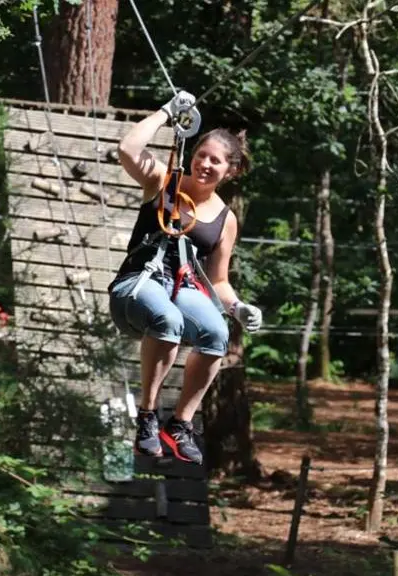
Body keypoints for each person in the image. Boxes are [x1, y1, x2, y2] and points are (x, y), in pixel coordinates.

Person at [109, 91, 264, 465]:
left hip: (182, 287)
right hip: (139, 283)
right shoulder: (164, 181)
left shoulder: (226, 220)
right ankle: (147, 417)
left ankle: (179, 423)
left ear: (231, 171)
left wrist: (239, 307)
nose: (205, 164)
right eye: (201, 155)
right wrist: (166, 112)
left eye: (216, 161)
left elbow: (218, 281)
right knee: (169, 320)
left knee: (216, 333)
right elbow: (128, 148)